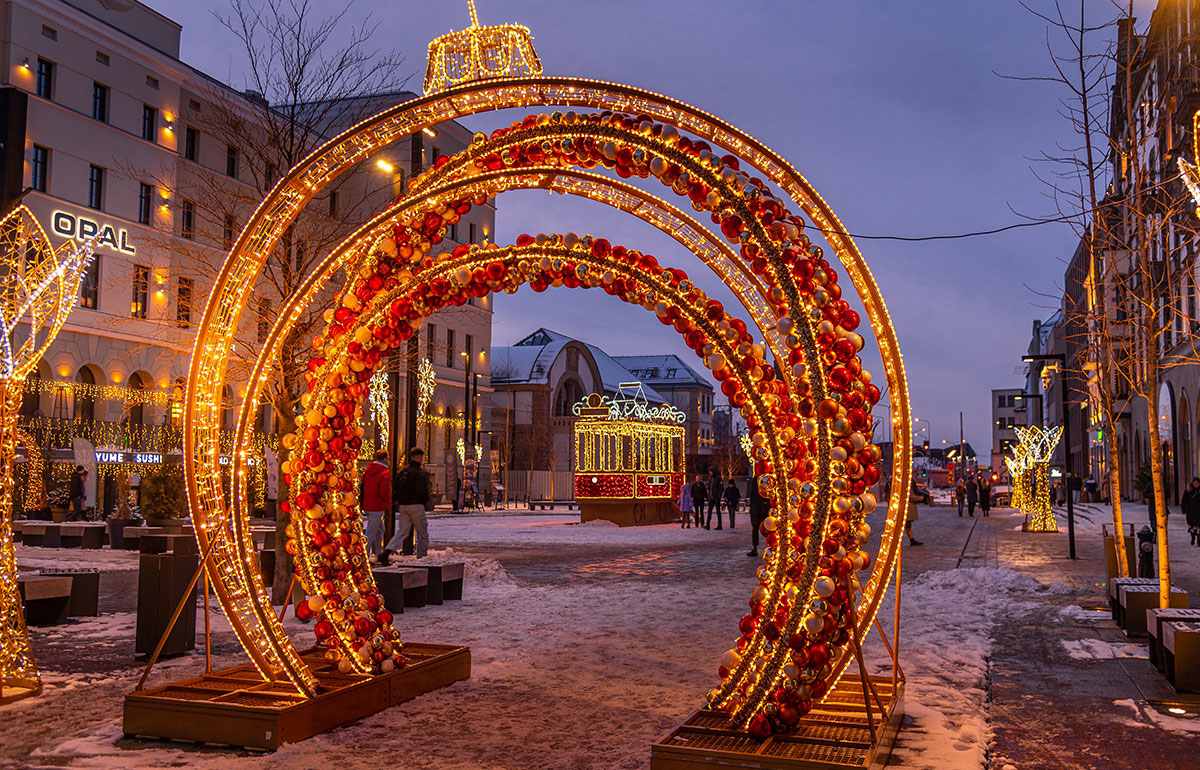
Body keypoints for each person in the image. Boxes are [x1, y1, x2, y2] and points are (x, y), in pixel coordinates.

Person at [381, 448, 431, 564]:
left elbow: (396, 487)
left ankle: (387, 552)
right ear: (419, 457)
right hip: (416, 505)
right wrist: (425, 501)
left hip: (403, 505)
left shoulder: (403, 471)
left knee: (402, 531)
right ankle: (422, 557)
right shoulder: (419, 472)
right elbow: (422, 490)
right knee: (422, 531)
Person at [360, 450, 391, 560]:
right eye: (388, 457)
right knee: (371, 531)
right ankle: (365, 554)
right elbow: (384, 491)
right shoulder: (384, 472)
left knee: (379, 529)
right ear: (384, 459)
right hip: (377, 505)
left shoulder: (369, 470)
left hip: (368, 504)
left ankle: (378, 553)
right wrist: (388, 500)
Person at [747, 475, 769, 557]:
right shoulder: (756, 479)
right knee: (757, 527)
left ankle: (758, 547)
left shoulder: (760, 478)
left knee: (766, 527)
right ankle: (755, 547)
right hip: (758, 507)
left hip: (761, 507)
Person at [1183, 477, 1200, 546]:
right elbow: (1184, 500)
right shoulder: (1188, 490)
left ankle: (1199, 540)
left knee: (1199, 526)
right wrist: (1184, 509)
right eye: (1195, 483)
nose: (1196, 484)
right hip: (1191, 511)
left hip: (1199, 511)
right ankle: (1193, 538)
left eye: (1197, 483)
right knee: (1192, 527)